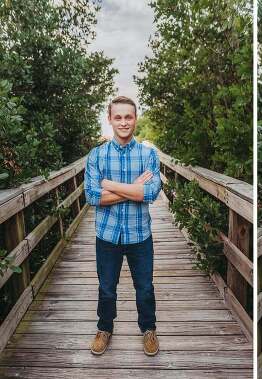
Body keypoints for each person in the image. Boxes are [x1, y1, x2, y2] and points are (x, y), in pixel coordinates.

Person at [84, 96, 162, 356]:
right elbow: (93, 197)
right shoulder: (97, 155)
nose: (123, 122)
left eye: (128, 116)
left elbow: (151, 193)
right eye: (118, 117)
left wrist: (110, 185)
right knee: (106, 287)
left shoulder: (148, 154)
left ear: (135, 119)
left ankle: (148, 330)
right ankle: (104, 328)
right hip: (107, 235)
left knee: (145, 288)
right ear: (110, 119)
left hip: (140, 234)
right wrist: (134, 188)